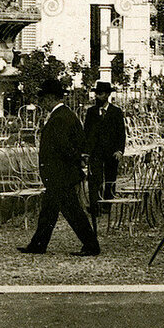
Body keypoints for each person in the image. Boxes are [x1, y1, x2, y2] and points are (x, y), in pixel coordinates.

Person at [18, 77, 100, 257]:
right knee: (49, 212)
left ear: (50, 98)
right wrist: (78, 159)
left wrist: (75, 160)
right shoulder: (66, 115)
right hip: (61, 174)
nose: (42, 102)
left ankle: (91, 245)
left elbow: (64, 147)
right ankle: (38, 244)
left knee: (73, 212)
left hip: (60, 174)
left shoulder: (60, 118)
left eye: (43, 99)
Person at [83, 80, 126, 234]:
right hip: (95, 153)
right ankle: (95, 206)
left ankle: (106, 205)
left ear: (107, 95)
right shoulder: (91, 112)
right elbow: (86, 132)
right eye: (97, 93)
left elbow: (121, 133)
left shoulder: (116, 112)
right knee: (94, 179)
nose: (98, 96)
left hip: (111, 152)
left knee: (110, 179)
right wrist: (86, 152)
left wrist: (119, 151)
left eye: (101, 94)